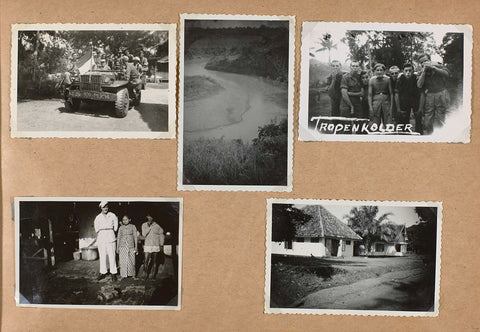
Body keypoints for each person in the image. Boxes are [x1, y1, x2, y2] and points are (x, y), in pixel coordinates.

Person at [417, 53, 450, 135]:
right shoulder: (421, 71)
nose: (424, 63)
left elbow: (447, 74)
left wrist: (434, 68)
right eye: (422, 62)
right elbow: (419, 85)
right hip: (430, 95)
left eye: (426, 61)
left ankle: (442, 135)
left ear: (430, 60)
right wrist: (424, 72)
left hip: (441, 93)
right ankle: (429, 135)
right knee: (428, 119)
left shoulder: (438, 66)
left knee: (441, 116)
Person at [94, 201, 118, 281]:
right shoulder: (98, 217)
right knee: (102, 255)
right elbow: (96, 229)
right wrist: (103, 232)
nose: (106, 208)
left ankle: (113, 273)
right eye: (104, 207)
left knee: (112, 256)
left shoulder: (113, 215)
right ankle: (103, 272)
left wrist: (111, 231)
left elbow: (116, 227)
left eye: (107, 207)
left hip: (111, 237)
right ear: (101, 208)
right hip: (102, 238)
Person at [395, 62, 422, 133]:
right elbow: (396, 94)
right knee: (403, 119)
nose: (408, 73)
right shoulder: (400, 79)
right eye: (406, 71)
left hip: (415, 100)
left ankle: (419, 134)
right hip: (404, 101)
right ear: (403, 71)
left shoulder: (416, 78)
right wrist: (398, 108)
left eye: (410, 71)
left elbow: (421, 93)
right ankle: (405, 134)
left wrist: (420, 107)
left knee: (418, 118)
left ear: (413, 71)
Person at [141, 213, 164, 280]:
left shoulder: (157, 226)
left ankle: (153, 275)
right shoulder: (144, 225)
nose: (150, 218)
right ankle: (145, 274)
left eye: (151, 216)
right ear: (147, 217)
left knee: (154, 261)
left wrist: (161, 244)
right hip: (147, 245)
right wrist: (149, 227)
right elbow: (144, 234)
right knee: (146, 260)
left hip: (155, 245)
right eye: (148, 216)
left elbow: (161, 235)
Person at [116, 214, 138, 279]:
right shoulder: (121, 228)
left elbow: (135, 237)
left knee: (132, 260)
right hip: (122, 245)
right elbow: (118, 238)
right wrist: (117, 248)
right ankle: (123, 275)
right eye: (123, 220)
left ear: (129, 220)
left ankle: (132, 274)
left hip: (131, 245)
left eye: (126, 219)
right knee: (122, 260)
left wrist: (136, 247)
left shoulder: (133, 226)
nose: (124, 221)